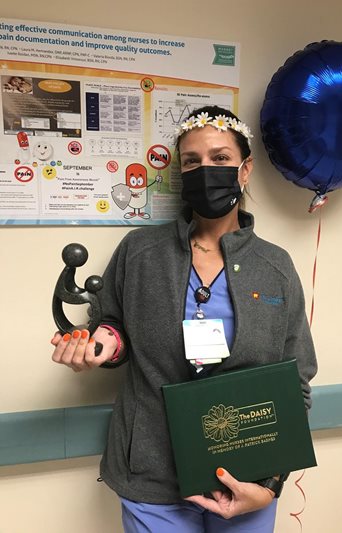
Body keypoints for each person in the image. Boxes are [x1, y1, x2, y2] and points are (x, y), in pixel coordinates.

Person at [51, 105, 317, 532]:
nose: (205, 170)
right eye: (192, 161)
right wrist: (101, 345)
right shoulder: (140, 251)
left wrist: (270, 483)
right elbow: (113, 325)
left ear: (245, 170)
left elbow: (296, 382)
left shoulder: (276, 266)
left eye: (220, 159)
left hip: (246, 477)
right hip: (153, 477)